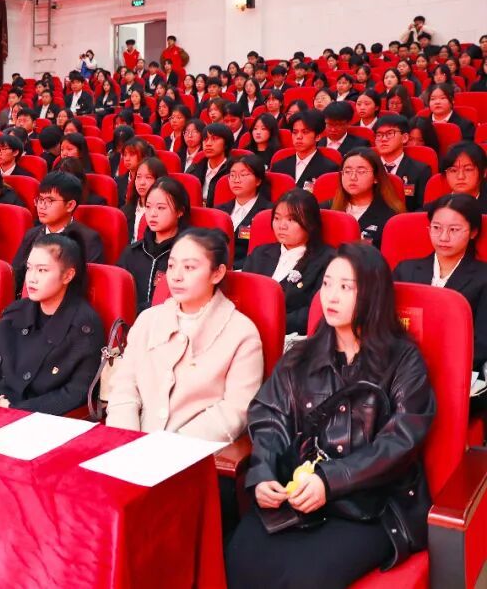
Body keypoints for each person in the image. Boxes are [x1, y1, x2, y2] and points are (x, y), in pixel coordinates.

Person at [226, 244, 435, 589]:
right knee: (239, 559)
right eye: (326, 283)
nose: (331, 296)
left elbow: (401, 441)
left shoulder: (403, 360)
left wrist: (329, 481)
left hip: (371, 505)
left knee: (303, 579)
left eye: (346, 287)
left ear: (373, 294)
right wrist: (263, 473)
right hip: (300, 494)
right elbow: (270, 416)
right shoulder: (302, 355)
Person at [104, 228, 264, 441]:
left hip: (195, 451)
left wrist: (172, 447)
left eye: (189, 267)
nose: (176, 276)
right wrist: (126, 438)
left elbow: (234, 410)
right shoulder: (147, 320)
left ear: (217, 273)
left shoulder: (242, 333)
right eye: (171, 266)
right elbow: (124, 386)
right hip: (130, 445)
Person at [0, 233, 103, 415]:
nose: (31, 278)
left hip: (38, 418)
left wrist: (14, 410)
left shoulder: (83, 327)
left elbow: (75, 393)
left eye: (42, 270)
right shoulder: (15, 313)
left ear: (68, 275)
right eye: (29, 268)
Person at [394, 193, 486, 373]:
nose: (443, 237)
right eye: (436, 228)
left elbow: (482, 343)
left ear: (473, 232)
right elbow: (384, 324)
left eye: (454, 230)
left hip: (456, 370)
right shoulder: (405, 270)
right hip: (402, 368)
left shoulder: (483, 277)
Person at [243, 189, 336, 335]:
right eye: (277, 218)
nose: (282, 226)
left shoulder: (328, 260)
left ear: (310, 223)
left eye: (291, 220)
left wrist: (270, 323)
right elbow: (243, 295)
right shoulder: (260, 253)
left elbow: (315, 311)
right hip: (248, 330)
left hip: (292, 336)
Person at [11, 172, 103, 294]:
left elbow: (85, 285)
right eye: (40, 199)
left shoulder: (87, 239)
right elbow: (16, 276)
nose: (42, 206)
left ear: (70, 205)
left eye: (49, 201)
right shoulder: (32, 234)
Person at [117, 176, 190, 313]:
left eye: (161, 208)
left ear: (180, 211)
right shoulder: (131, 253)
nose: (152, 214)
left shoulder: (188, 256)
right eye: (148, 207)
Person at [326, 148, 404, 247]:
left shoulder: (391, 216)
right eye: (348, 171)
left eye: (361, 171)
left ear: (376, 177)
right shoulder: (325, 209)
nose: (353, 177)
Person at [218, 154, 273, 268]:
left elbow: (265, 252)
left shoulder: (268, 213)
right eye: (232, 175)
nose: (236, 180)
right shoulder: (219, 211)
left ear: (258, 180)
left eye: (243, 175)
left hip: (247, 269)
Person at [271, 110, 339, 191]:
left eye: (305, 132)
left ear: (318, 136)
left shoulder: (329, 169)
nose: (298, 137)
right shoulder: (278, 167)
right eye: (295, 132)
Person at [374, 114, 431, 211]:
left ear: (404, 138)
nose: (383, 139)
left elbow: (421, 208)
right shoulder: (369, 167)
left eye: (389, 133)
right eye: (379, 135)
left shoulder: (420, 170)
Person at [187, 122, 234, 207]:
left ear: (226, 144)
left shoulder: (233, 172)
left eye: (214, 139)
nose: (208, 144)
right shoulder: (194, 169)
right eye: (205, 139)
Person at [440, 142, 487, 214]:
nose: (460, 177)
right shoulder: (433, 210)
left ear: (484, 172)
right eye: (453, 170)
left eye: (468, 169)